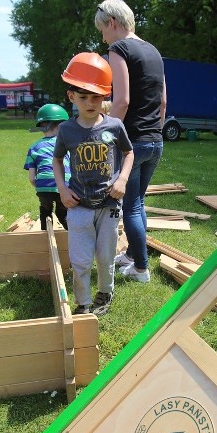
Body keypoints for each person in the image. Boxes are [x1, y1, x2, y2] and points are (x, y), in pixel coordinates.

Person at [53, 53, 133, 316]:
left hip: (109, 205)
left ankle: (105, 293)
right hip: (78, 206)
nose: (90, 103)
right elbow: (56, 159)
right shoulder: (66, 130)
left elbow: (128, 153)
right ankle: (83, 303)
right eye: (83, 96)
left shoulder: (115, 126)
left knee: (106, 256)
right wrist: (62, 189)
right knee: (81, 260)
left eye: (96, 97)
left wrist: (122, 179)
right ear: (71, 97)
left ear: (104, 97)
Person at [95, 0, 167, 284]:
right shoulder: (153, 51)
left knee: (131, 206)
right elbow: (162, 102)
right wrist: (155, 133)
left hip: (133, 143)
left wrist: (107, 138)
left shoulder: (118, 48)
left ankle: (140, 268)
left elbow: (122, 101)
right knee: (138, 203)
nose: (103, 37)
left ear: (112, 23)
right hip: (155, 141)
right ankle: (133, 257)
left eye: (102, 30)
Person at [24, 103, 71, 230]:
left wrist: (41, 185)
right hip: (64, 186)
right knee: (63, 212)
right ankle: (70, 233)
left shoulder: (34, 147)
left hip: (43, 187)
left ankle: (45, 233)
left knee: (45, 210)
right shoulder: (67, 145)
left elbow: (32, 178)